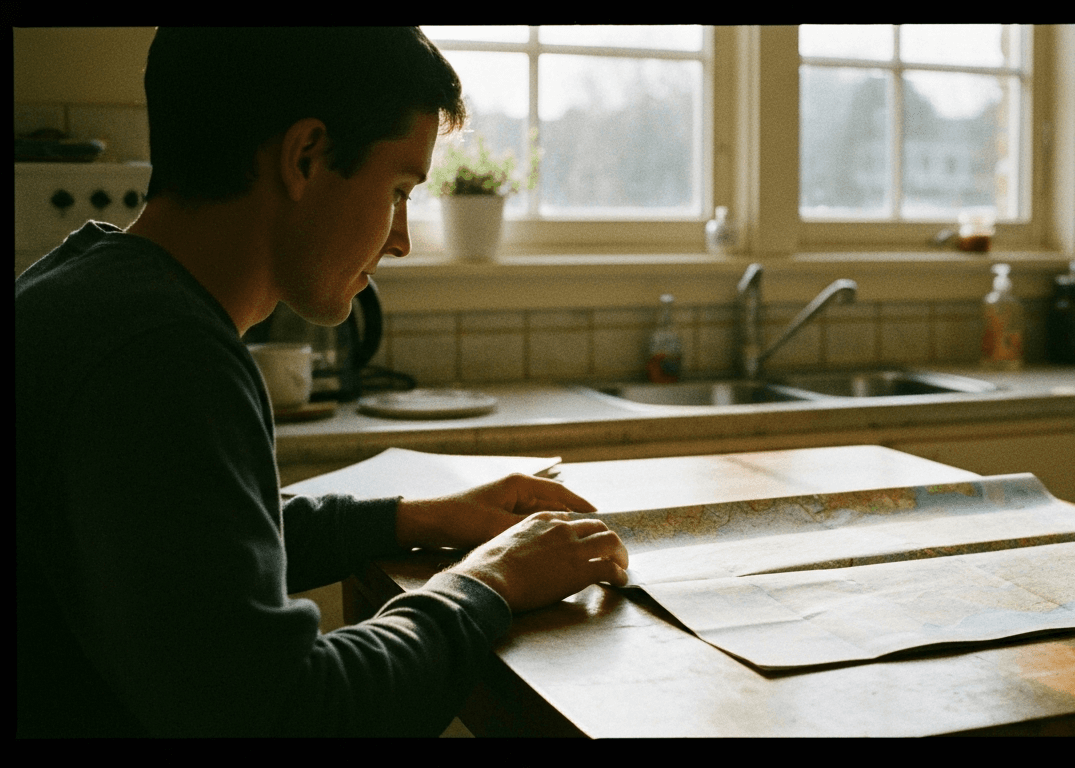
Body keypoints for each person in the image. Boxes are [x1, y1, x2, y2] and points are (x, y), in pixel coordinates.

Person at [16, 27, 628, 737]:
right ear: (305, 157)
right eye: (398, 189)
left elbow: (191, 548)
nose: (399, 239)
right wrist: (487, 582)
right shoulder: (161, 356)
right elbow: (289, 714)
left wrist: (422, 516)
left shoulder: (87, 292)